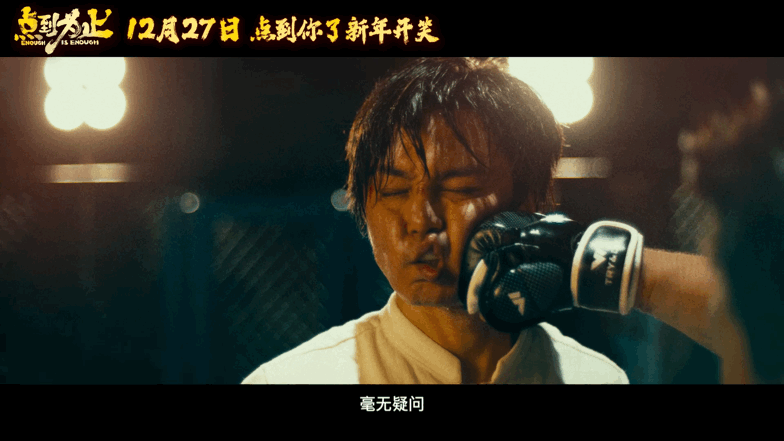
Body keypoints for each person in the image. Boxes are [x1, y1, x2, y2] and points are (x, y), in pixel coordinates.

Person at [240, 57, 749, 384]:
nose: (419, 219)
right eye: (392, 190)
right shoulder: (295, 380)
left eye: (460, 188)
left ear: (530, 200)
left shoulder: (595, 379)